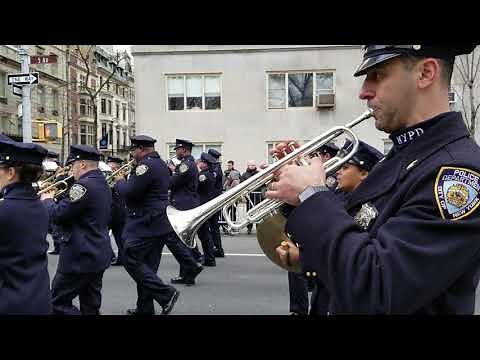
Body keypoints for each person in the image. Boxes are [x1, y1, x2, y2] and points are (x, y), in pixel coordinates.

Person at [267, 45, 480, 314]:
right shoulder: (402, 157)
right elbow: (352, 236)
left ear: (426, 73)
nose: (363, 91)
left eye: (377, 75)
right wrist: (295, 192)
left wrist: (312, 196)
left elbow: (377, 288)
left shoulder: (458, 175)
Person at [113, 135, 187, 315]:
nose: (133, 154)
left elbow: (131, 193)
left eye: (134, 150)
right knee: (148, 267)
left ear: (141, 149)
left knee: (130, 258)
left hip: (144, 222)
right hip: (158, 221)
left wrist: (120, 181)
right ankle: (144, 308)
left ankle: (166, 293)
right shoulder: (160, 163)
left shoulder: (145, 166)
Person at [42, 145, 113, 315]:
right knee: (91, 306)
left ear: (82, 164)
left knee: (56, 303)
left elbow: (59, 215)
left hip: (79, 256)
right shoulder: (102, 182)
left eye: (72, 165)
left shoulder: (81, 186)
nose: (71, 169)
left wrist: (48, 200)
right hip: (97, 253)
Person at [0, 139, 52, 314]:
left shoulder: (4, 209)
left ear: (11, 172)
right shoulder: (41, 205)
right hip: (39, 298)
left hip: (10, 302)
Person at [168, 138, 205, 285]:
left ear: (184, 150)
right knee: (183, 240)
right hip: (186, 202)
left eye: (177, 149)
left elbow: (172, 182)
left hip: (183, 204)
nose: (176, 152)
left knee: (180, 240)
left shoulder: (185, 165)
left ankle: (191, 268)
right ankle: (186, 274)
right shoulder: (188, 164)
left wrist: (169, 172)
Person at [196, 152, 218, 266]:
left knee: (204, 234)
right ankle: (209, 256)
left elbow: (196, 187)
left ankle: (209, 258)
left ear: (205, 164)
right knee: (204, 233)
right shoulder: (210, 173)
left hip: (202, 205)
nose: (199, 163)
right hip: (205, 204)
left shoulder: (203, 175)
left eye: (201, 161)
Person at [106, 156, 127, 266]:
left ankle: (122, 258)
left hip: (119, 208)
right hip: (108, 208)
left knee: (120, 236)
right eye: (110, 164)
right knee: (103, 234)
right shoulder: (106, 174)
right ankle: (110, 256)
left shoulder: (123, 175)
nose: (111, 167)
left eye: (113, 165)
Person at [208, 148, 225, 257]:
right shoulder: (216, 168)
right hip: (214, 199)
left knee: (213, 226)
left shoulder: (215, 169)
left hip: (213, 199)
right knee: (213, 225)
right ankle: (217, 248)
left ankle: (217, 249)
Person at [240, 160, 260, 235]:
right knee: (249, 212)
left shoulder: (258, 173)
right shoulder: (244, 174)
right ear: (248, 166)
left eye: (254, 165)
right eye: (251, 165)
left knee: (258, 212)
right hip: (249, 196)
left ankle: (259, 227)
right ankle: (249, 227)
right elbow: (242, 183)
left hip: (258, 195)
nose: (252, 166)